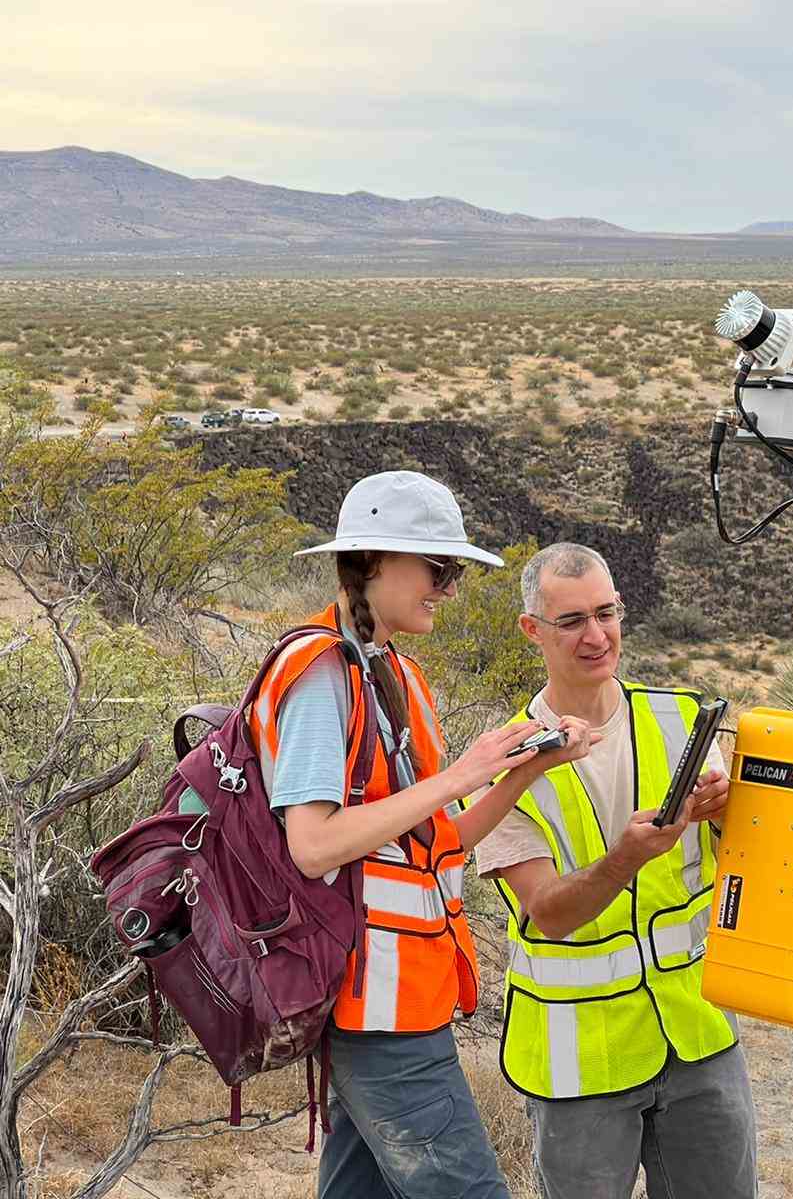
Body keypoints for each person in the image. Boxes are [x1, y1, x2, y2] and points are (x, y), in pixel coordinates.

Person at [264, 470, 598, 1199]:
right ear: (373, 563)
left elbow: (436, 846)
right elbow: (313, 845)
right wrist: (460, 773)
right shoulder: (320, 672)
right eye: (437, 568)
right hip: (372, 1006)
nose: (448, 588)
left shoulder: (396, 676)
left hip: (405, 994)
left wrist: (523, 768)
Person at [472, 542, 758, 1199]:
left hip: (698, 1037)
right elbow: (547, 912)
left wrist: (726, 815)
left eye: (607, 613)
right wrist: (627, 857)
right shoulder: (503, 763)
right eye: (572, 620)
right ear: (532, 631)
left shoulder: (680, 718)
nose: (596, 636)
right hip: (582, 1066)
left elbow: (743, 860)